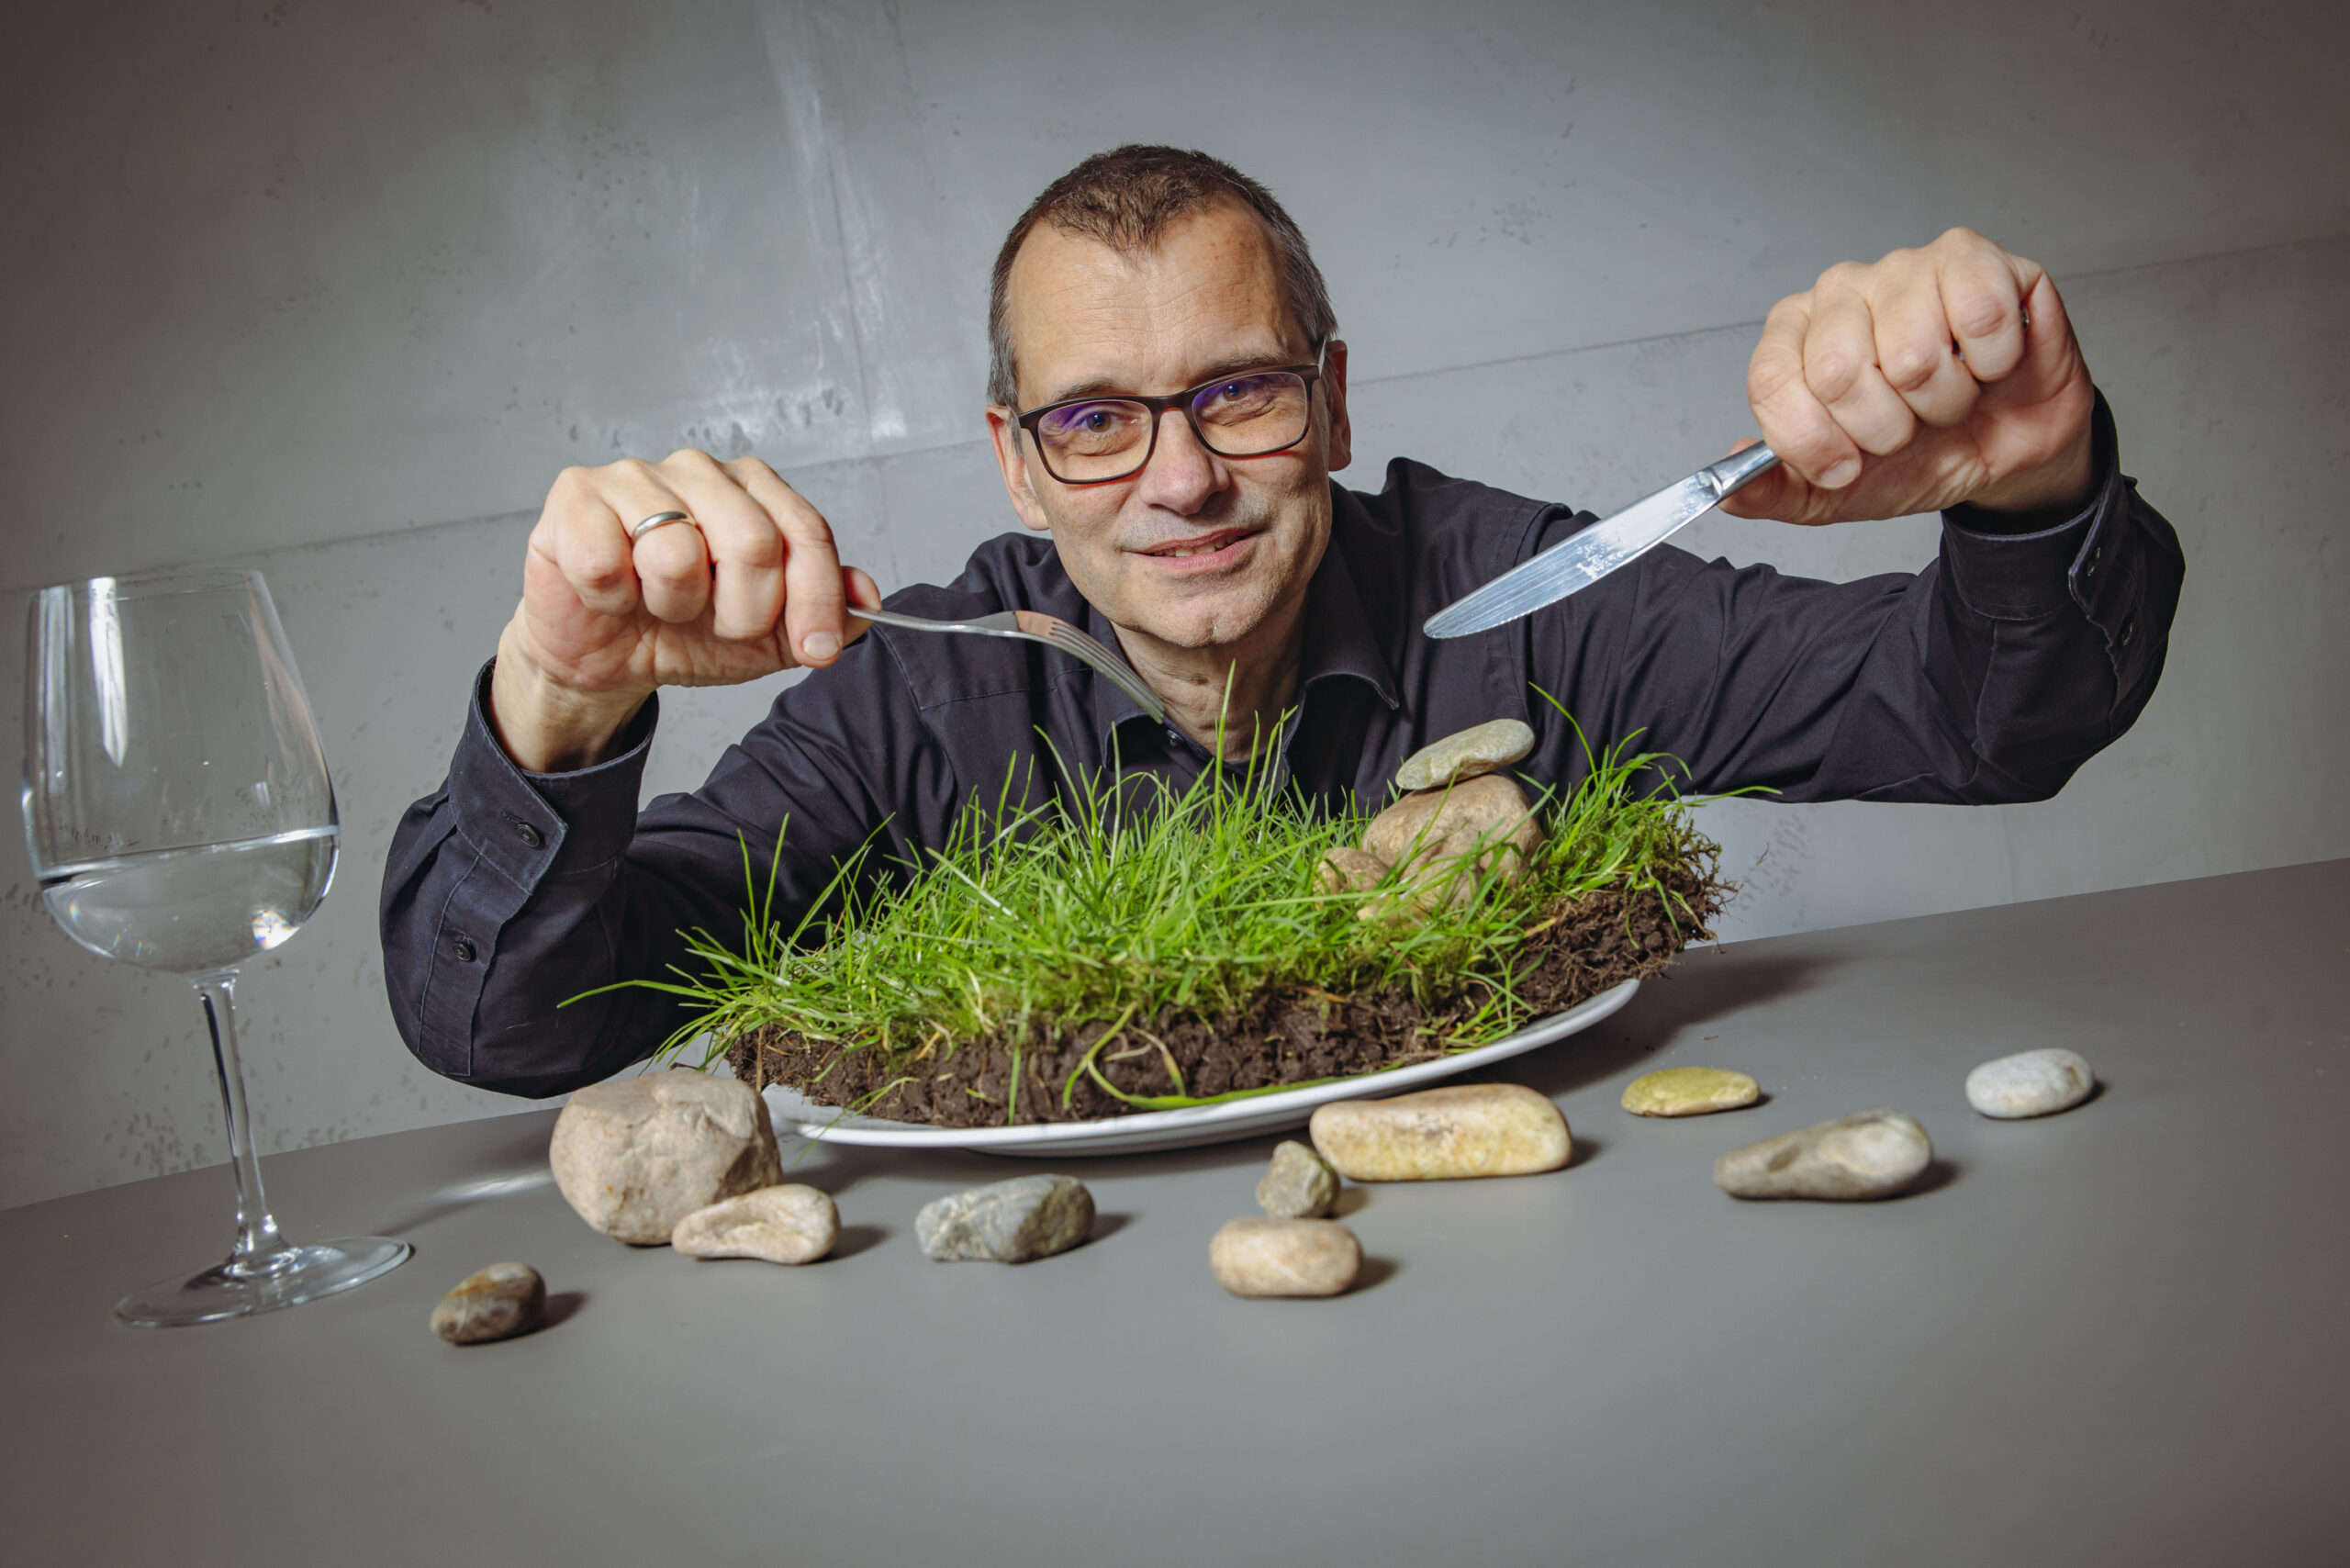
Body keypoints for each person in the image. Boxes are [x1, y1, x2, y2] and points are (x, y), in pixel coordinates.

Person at [382, 145, 2182, 1097]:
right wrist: (558, 692)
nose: (1179, 481)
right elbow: (516, 1026)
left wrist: (2022, 482)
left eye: (1234, 392)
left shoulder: (1509, 599)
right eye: (1094, 418)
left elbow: (1976, 723)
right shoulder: (921, 696)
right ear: (1016, 463)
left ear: (1326, 402)